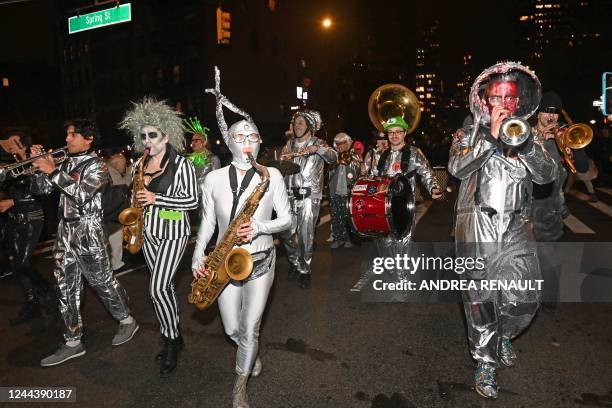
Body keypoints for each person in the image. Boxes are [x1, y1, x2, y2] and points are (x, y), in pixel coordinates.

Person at [448, 62, 557, 399]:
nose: (503, 104)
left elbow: (545, 175)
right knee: (480, 299)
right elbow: (456, 167)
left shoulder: (528, 134)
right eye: (496, 96)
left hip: (516, 225)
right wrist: (490, 140)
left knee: (525, 296)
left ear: (517, 102)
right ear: (484, 99)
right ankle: (485, 362)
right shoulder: (467, 133)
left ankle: (503, 335)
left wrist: (523, 144)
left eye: (509, 98)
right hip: (476, 223)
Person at [193, 66, 291, 408]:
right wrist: (197, 257)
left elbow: (287, 220)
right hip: (225, 262)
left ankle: (240, 384)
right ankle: (248, 354)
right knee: (231, 330)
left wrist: (261, 227)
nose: (247, 142)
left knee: (250, 329)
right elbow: (206, 224)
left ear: (260, 142)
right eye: (239, 136)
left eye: (253, 137)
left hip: (261, 260)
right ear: (228, 141)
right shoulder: (213, 179)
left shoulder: (272, 175)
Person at [31, 119, 138, 367]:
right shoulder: (64, 162)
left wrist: (52, 171)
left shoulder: (98, 166)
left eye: (72, 135)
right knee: (65, 285)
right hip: (64, 228)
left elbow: (81, 195)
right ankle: (72, 341)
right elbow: (41, 191)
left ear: (88, 139)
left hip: (88, 227)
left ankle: (126, 320)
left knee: (101, 281)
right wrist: (37, 166)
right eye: (67, 135)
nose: (67, 139)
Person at [119, 98, 198, 375]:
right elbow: (136, 198)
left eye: (153, 135)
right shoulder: (139, 164)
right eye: (143, 136)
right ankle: (175, 334)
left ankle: (171, 341)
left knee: (157, 288)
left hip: (174, 232)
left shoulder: (181, 165)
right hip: (148, 233)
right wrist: (132, 223)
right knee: (164, 289)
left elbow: (191, 200)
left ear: (166, 135)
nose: (147, 140)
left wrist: (157, 198)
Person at [0, 131, 54, 325]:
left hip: (32, 217)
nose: (8, 144)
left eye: (13, 141)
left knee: (23, 262)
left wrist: (13, 201)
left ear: (22, 144)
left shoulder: (36, 161)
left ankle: (47, 290)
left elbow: (41, 191)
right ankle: (32, 303)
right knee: (16, 265)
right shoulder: (11, 163)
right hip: (14, 219)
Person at [279, 109, 337, 288]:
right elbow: (280, 166)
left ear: (310, 127)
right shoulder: (288, 145)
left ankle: (304, 269)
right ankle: (294, 262)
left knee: (305, 235)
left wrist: (318, 149)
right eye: (295, 123)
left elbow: (333, 157)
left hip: (309, 197)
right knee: (286, 233)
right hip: (288, 195)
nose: (297, 126)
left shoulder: (319, 143)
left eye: (301, 123)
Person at [374, 116, 442, 265]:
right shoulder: (380, 154)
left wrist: (433, 187)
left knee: (403, 243)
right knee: (384, 245)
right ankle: (391, 272)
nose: (394, 135)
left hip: (404, 205)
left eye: (398, 131)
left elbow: (427, 172)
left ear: (405, 133)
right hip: (381, 206)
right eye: (390, 132)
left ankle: (402, 279)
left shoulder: (414, 152)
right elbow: (372, 177)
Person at [531, 91, 570, 311]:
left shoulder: (562, 137)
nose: (551, 116)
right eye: (547, 110)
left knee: (548, 259)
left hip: (550, 209)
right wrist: (538, 140)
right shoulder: (525, 133)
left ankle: (548, 300)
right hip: (526, 207)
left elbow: (580, 168)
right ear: (538, 112)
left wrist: (569, 147)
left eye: (555, 112)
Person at [329, 132, 361, 248]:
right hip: (335, 191)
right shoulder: (333, 158)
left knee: (348, 216)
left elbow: (358, 172)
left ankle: (348, 239)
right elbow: (329, 175)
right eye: (337, 144)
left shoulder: (354, 156)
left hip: (349, 192)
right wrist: (336, 163)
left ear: (348, 143)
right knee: (336, 216)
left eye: (342, 143)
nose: (339, 146)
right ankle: (338, 239)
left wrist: (353, 160)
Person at [105, 151, 131, 272]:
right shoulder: (112, 171)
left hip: (105, 211)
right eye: (123, 164)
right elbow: (123, 186)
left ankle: (110, 263)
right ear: (117, 164)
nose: (124, 166)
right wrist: (130, 173)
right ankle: (116, 263)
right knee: (115, 236)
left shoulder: (106, 168)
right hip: (111, 211)